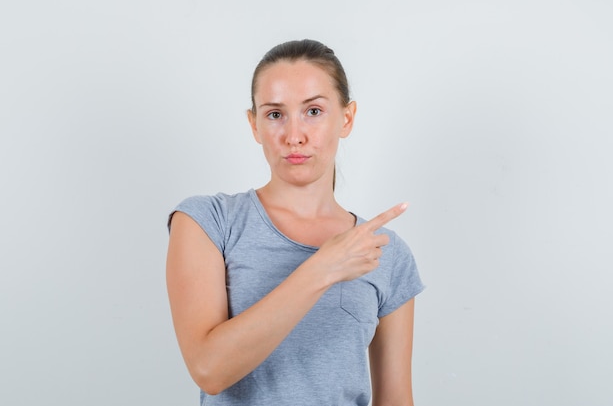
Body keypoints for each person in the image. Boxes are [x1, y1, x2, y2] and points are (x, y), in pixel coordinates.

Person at [166, 39, 425, 406]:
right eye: (275, 114)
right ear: (254, 124)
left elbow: (396, 399)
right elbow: (209, 370)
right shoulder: (208, 222)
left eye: (314, 111)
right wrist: (323, 268)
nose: (294, 135)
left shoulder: (386, 252)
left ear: (346, 118)